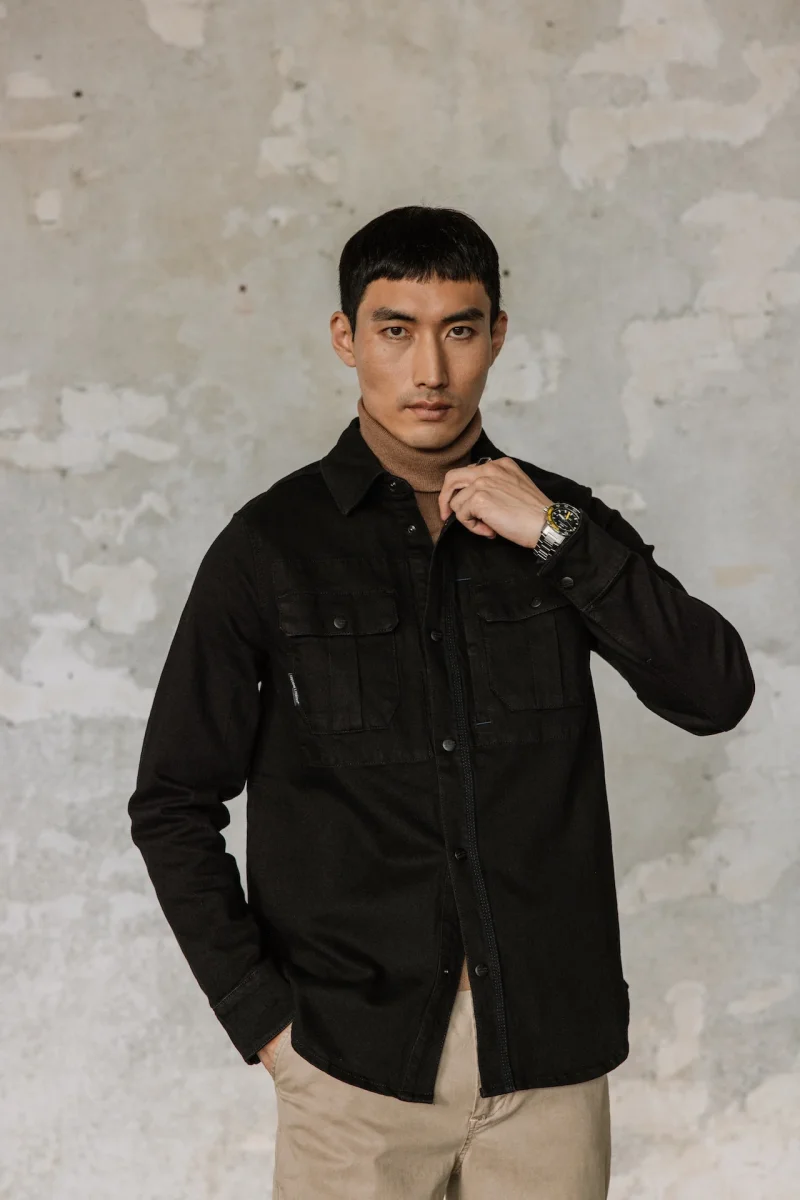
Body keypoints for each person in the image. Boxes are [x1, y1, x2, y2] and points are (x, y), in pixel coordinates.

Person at [127, 205, 755, 1199]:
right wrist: (264, 1021)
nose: (429, 369)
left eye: (458, 329)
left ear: (496, 336)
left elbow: (713, 692)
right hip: (351, 1064)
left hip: (544, 1056)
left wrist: (556, 536)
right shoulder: (269, 548)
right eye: (396, 330)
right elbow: (172, 800)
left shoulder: (561, 521)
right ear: (346, 338)